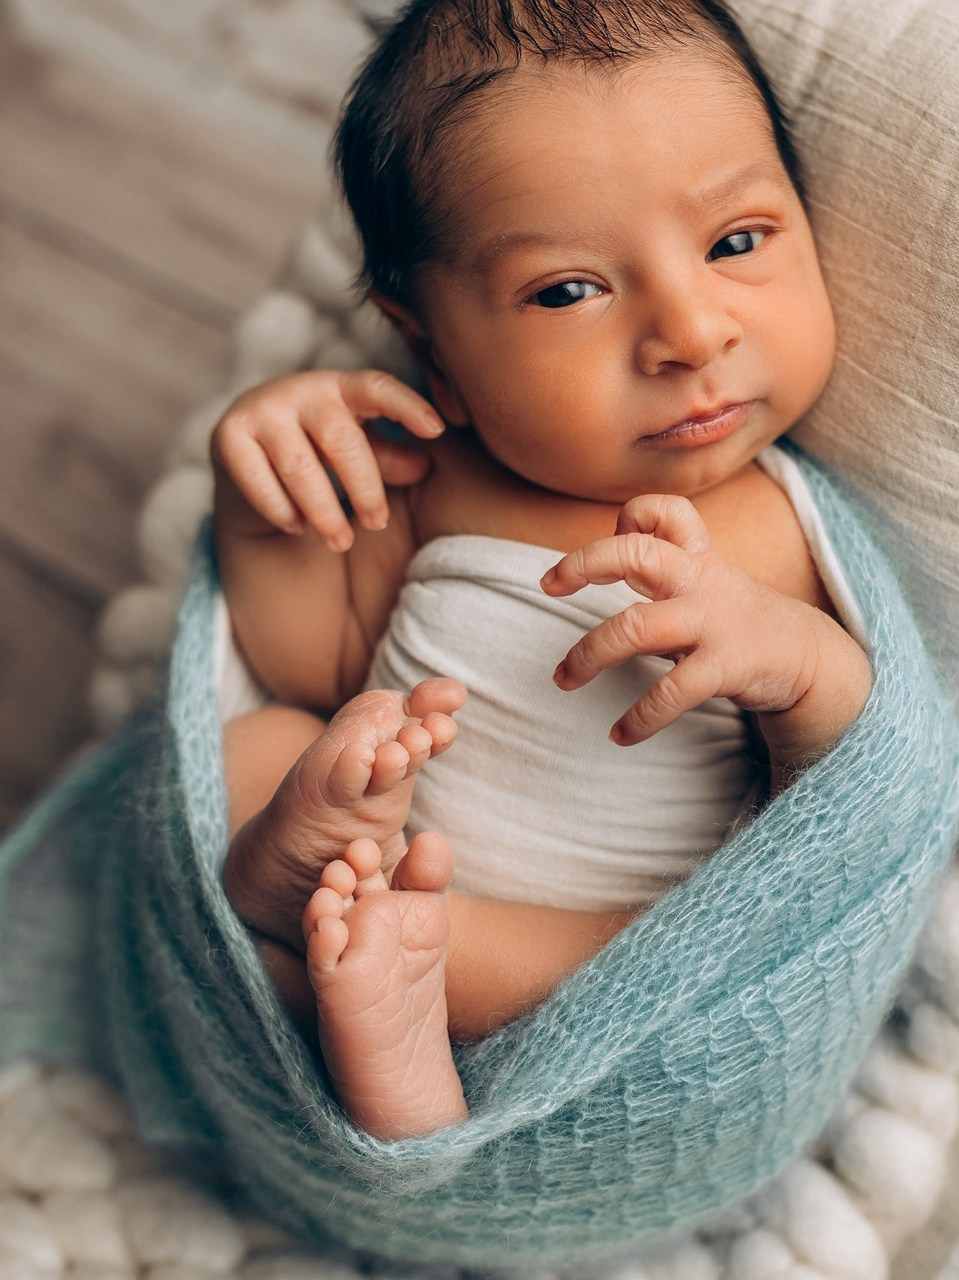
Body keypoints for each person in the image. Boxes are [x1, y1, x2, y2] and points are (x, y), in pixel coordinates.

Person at [211, 0, 872, 1142]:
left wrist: (788, 657)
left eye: (734, 241)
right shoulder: (436, 478)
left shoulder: (781, 518)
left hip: (612, 957)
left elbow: (857, 778)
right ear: (431, 347)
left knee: (615, 948)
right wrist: (266, 500)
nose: (688, 330)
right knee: (249, 749)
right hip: (394, 874)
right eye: (567, 290)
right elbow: (298, 661)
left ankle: (400, 1043)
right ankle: (347, 969)